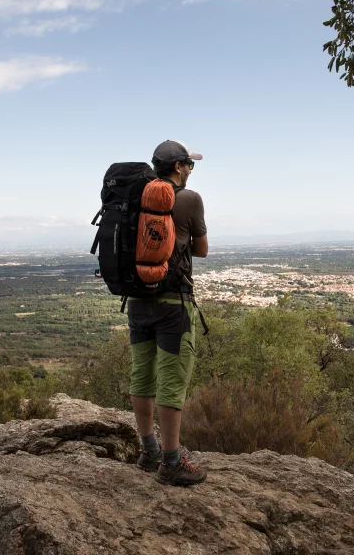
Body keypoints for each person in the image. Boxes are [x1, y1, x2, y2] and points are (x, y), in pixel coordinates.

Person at [128, 140, 209, 486]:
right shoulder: (189, 199)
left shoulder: (135, 195)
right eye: (190, 165)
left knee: (142, 375)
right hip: (174, 303)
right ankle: (172, 461)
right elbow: (201, 251)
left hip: (136, 301)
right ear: (178, 166)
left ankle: (149, 450)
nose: (191, 170)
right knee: (172, 381)